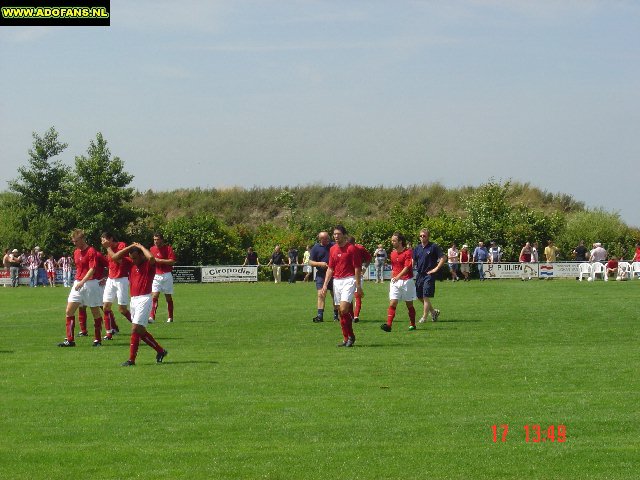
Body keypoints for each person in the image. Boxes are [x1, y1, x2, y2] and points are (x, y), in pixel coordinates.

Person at [110, 242, 168, 366]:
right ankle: (160, 351)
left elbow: (151, 258)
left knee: (135, 328)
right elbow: (115, 257)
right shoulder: (130, 263)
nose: (134, 260)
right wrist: (130, 248)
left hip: (145, 299)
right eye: (132, 258)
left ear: (142, 255)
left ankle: (131, 360)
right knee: (140, 331)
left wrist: (141, 246)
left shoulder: (148, 264)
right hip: (134, 300)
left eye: (136, 257)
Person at [58, 229, 105, 347]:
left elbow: (92, 269)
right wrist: (78, 282)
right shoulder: (76, 252)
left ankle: (97, 339)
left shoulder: (91, 251)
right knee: (69, 310)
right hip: (78, 283)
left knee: (95, 311)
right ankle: (70, 340)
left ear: (82, 239)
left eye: (76, 241)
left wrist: (83, 282)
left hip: (90, 284)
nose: (75, 243)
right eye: (73, 241)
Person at [321, 225, 362, 347]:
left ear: (344, 235)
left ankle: (351, 336)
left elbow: (357, 267)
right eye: (334, 234)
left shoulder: (351, 249)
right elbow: (330, 268)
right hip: (337, 281)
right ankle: (346, 338)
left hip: (349, 280)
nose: (336, 236)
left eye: (338, 234)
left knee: (343, 309)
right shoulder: (333, 249)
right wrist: (325, 284)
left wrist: (358, 285)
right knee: (341, 311)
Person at [381, 232, 417, 332]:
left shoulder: (408, 252)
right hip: (395, 281)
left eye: (394, 241)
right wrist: (393, 279)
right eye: (392, 240)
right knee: (392, 303)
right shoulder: (392, 253)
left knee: (409, 304)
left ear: (400, 241)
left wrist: (398, 277)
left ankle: (413, 324)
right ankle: (388, 325)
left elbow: (407, 267)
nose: (392, 242)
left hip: (407, 281)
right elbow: (394, 268)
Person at [101, 232, 133, 340]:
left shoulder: (121, 245)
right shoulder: (108, 249)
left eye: (104, 240)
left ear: (111, 238)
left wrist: (108, 248)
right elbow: (111, 265)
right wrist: (105, 278)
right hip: (111, 279)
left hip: (121, 280)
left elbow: (118, 259)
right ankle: (109, 333)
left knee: (122, 310)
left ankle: (139, 326)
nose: (103, 242)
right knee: (105, 306)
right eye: (102, 240)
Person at [414, 229, 445, 323]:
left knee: (425, 296)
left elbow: (443, 257)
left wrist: (436, 269)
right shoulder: (417, 248)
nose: (422, 237)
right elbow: (413, 261)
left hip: (429, 274)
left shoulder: (433, 247)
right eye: (421, 236)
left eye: (424, 236)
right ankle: (433, 312)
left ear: (428, 237)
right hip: (420, 275)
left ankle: (424, 317)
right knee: (419, 296)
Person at [309, 231, 338, 323]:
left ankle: (336, 316)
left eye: (327, 238)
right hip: (321, 275)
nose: (327, 240)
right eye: (324, 238)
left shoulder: (334, 245)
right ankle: (320, 316)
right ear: (320, 239)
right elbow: (310, 262)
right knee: (321, 294)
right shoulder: (316, 248)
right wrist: (319, 263)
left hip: (334, 274)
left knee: (335, 296)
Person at [149, 232, 177, 323]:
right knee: (154, 296)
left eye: (157, 239)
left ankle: (170, 317)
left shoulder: (168, 249)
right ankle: (152, 317)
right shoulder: (152, 249)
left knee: (168, 297)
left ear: (162, 240)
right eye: (154, 239)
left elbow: (172, 261)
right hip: (156, 275)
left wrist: (159, 260)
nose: (156, 241)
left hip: (166, 275)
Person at [347, 236, 371, 323]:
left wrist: (364, 268)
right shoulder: (343, 249)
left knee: (357, 295)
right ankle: (351, 315)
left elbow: (369, 258)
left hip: (358, 275)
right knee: (348, 297)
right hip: (347, 276)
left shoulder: (360, 248)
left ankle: (356, 316)